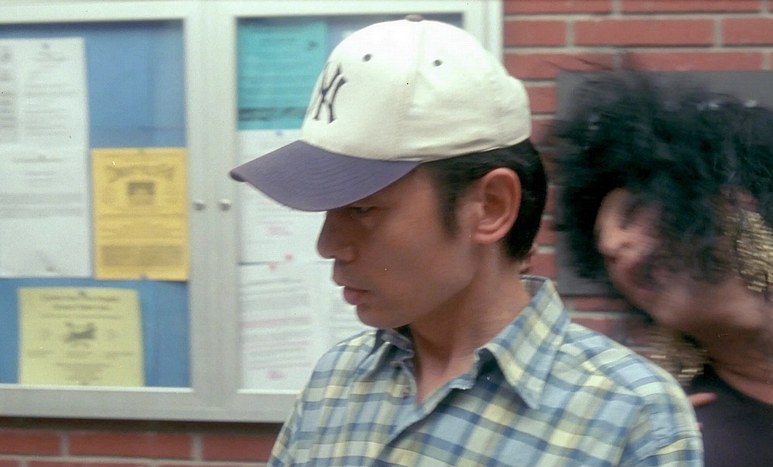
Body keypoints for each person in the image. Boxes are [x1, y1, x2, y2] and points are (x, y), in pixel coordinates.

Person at [231, 18, 702, 466]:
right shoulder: (335, 382)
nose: (329, 243)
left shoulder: (629, 417)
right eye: (329, 209)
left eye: (363, 209)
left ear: (490, 207)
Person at [554, 71, 773, 466]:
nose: (613, 246)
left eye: (633, 212)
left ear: (734, 203)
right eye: (602, 250)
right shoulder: (668, 431)